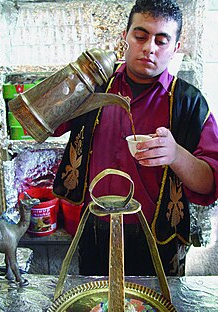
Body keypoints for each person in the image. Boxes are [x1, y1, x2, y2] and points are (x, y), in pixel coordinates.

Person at [53, 0, 218, 277]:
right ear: (125, 38)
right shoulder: (92, 88)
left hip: (158, 238)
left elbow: (209, 183)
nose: (149, 48)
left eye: (162, 41)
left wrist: (176, 155)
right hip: (95, 230)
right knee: (97, 303)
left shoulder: (189, 102)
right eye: (140, 36)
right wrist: (70, 79)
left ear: (175, 48)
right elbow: (42, 125)